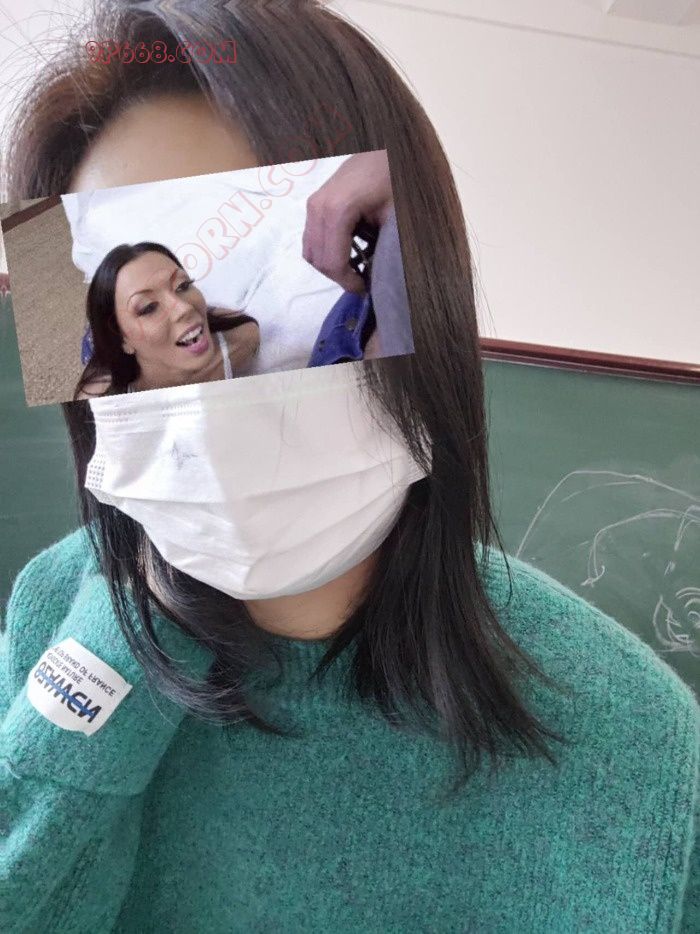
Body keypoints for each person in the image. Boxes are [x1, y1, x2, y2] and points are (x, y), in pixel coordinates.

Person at [1, 2, 698, 933]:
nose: (180, 312)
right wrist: (122, 650)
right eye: (142, 308)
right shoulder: (58, 613)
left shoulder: (635, 736)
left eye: (186, 284)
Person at [75, 242, 261, 397]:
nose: (184, 308)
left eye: (183, 285)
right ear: (122, 339)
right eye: (148, 307)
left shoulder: (243, 339)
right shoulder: (99, 397)